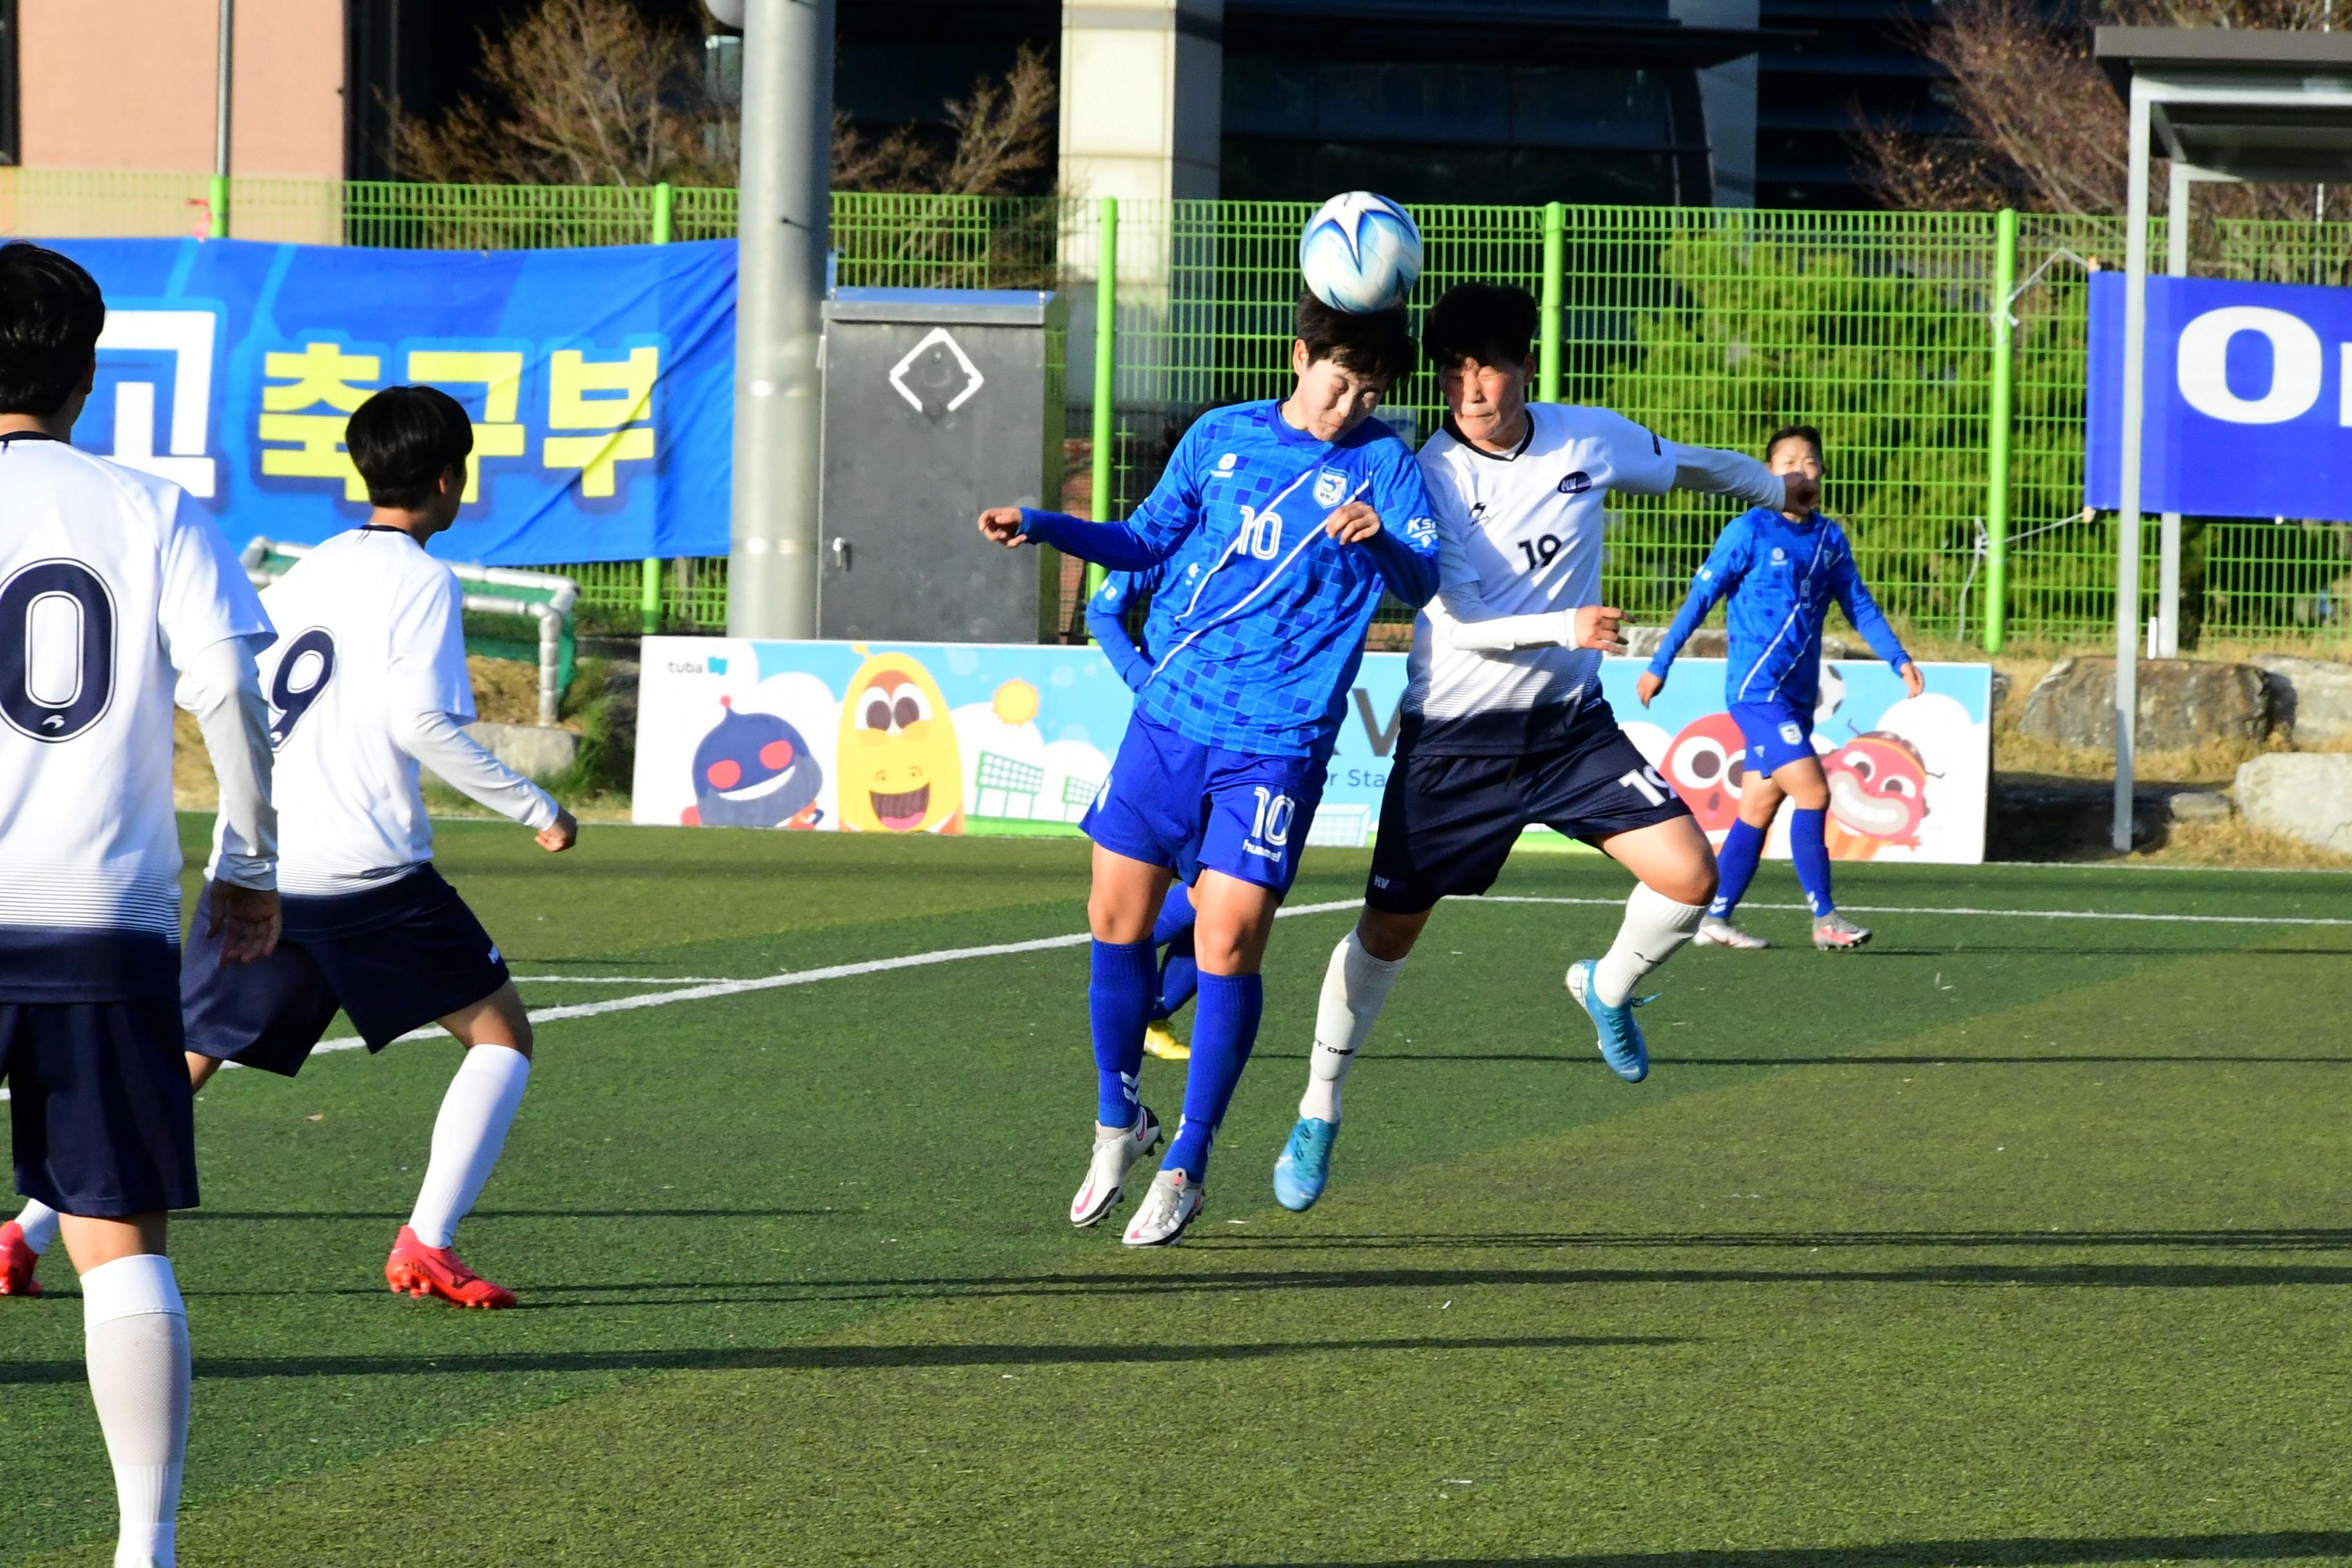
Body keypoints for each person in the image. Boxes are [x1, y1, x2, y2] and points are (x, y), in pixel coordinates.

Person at [6, 386, 580, 1310]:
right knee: (501, 1038)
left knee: (182, 1055)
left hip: (264, 860)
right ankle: (428, 1242)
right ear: (449, 480)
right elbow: (421, 719)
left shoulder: (306, 571)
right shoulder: (425, 579)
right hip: (364, 871)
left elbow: (239, 686)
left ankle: (21, 1232)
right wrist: (535, 807)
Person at [1271, 280, 1812, 1213]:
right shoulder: (1424, 475)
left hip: (1567, 731)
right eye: (1453, 373)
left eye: (1487, 367)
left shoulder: (1586, 438)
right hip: (1456, 744)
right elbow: (1462, 620)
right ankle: (1319, 1106)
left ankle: (1606, 987)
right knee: (1390, 934)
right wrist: (1568, 620)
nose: (1470, 389)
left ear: (1525, 365)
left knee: (1689, 877)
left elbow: (1689, 466)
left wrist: (1774, 487)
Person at [980, 290, 1438, 1246]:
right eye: (1339, 379)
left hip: (1278, 739)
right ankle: (1119, 1121)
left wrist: (1383, 538)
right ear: (1300, 357)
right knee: (1115, 917)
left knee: (1228, 940)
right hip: (1171, 717)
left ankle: (1188, 1156)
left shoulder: (1386, 466)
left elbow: (1425, 578)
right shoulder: (1219, 435)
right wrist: (1046, 524)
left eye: (1369, 389)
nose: (1349, 403)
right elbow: (1144, 543)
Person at [0, 241, 282, 1568]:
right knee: (120, 1237)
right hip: (101, 918)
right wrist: (249, 862)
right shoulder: (151, 510)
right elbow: (226, 689)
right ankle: (145, 1547)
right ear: (89, 372)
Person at [1636, 423, 1923, 951]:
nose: (1800, 470)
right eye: (1786, 461)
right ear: (1767, 474)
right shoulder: (1748, 531)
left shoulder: (1829, 538)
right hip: (1756, 691)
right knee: (1813, 791)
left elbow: (1858, 604)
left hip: (1796, 696)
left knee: (1758, 808)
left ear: (1823, 474)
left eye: (1810, 462)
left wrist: (1897, 659)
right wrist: (1660, 663)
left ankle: (1714, 917)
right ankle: (1825, 918)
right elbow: (1699, 600)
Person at [1083, 564, 1197, 1063]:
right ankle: (1129, 966)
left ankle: (1150, 1005)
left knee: (1235, 900)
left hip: (1248, 748)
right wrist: (1142, 677)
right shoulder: (1176, 526)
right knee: (1212, 897)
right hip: (1163, 750)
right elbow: (1103, 610)